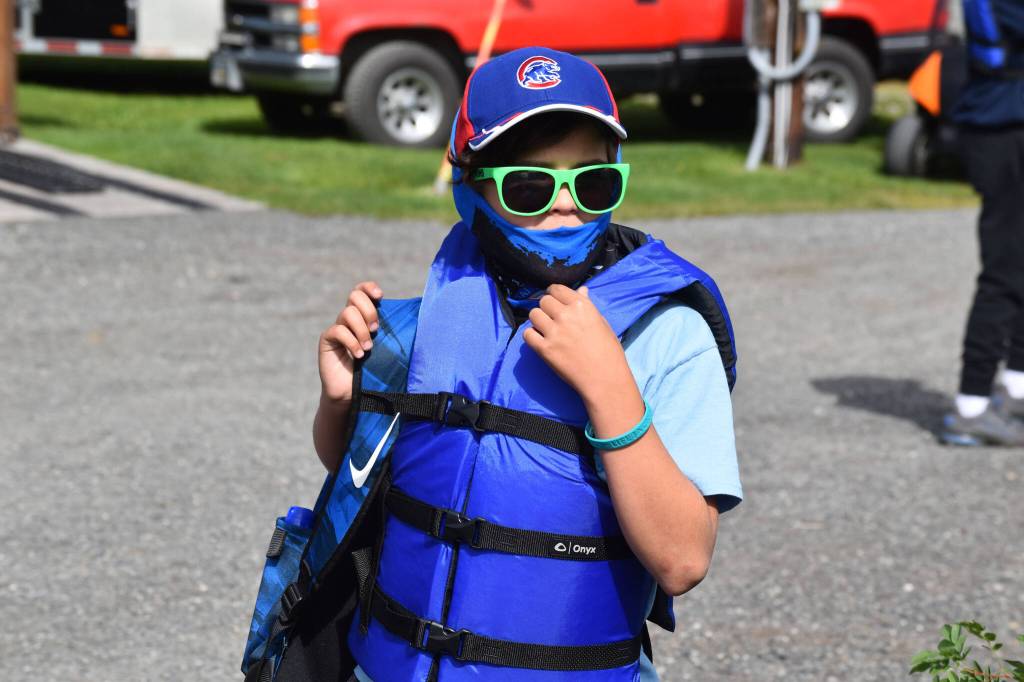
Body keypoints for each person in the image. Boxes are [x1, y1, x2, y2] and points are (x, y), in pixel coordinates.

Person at [313, 47, 743, 680]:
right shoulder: (429, 320)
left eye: (593, 182)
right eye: (530, 185)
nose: (565, 205)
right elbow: (360, 475)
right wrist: (343, 401)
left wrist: (609, 387)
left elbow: (682, 560)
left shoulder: (667, 333)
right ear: (471, 187)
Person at [942, 0, 1024, 446]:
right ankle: (970, 405)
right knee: (1004, 269)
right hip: (1002, 132)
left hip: (1009, 125)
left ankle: (1015, 388)